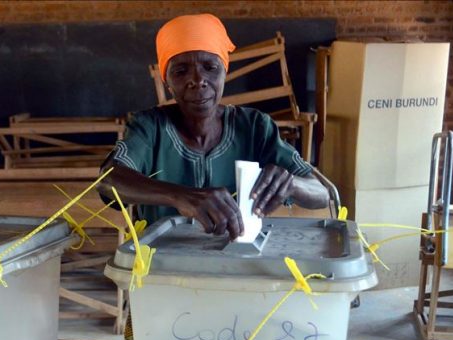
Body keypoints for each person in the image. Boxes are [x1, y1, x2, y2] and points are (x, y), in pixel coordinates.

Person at [98, 14, 329, 240]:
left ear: (225, 72)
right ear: (167, 81)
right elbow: (109, 181)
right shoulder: (150, 127)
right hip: (161, 263)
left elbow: (322, 193)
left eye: (210, 67)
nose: (198, 80)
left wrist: (291, 184)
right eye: (180, 71)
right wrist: (183, 197)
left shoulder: (255, 128)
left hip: (238, 259)